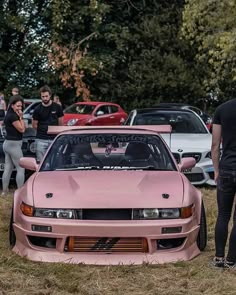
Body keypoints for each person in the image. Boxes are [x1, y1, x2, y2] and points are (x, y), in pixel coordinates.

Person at [211, 98, 236, 269]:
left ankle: (219, 259)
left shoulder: (222, 109)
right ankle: (232, 260)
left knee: (223, 215)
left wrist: (217, 170)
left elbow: (214, 145)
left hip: (227, 169)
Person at [32, 85, 64, 162]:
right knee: (41, 163)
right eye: (43, 96)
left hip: (54, 139)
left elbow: (61, 124)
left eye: (46, 96)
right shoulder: (37, 109)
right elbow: (34, 125)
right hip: (41, 139)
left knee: (55, 162)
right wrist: (44, 130)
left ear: (50, 95)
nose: (45, 98)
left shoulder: (57, 107)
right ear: (40, 96)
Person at [1, 95, 25, 195]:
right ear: (12, 105)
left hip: (7, 144)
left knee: (8, 168)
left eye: (21, 106)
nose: (20, 108)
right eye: (18, 106)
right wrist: (21, 117)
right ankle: (20, 192)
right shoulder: (14, 116)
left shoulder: (8, 115)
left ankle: (4, 191)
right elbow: (22, 129)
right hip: (13, 144)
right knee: (21, 168)